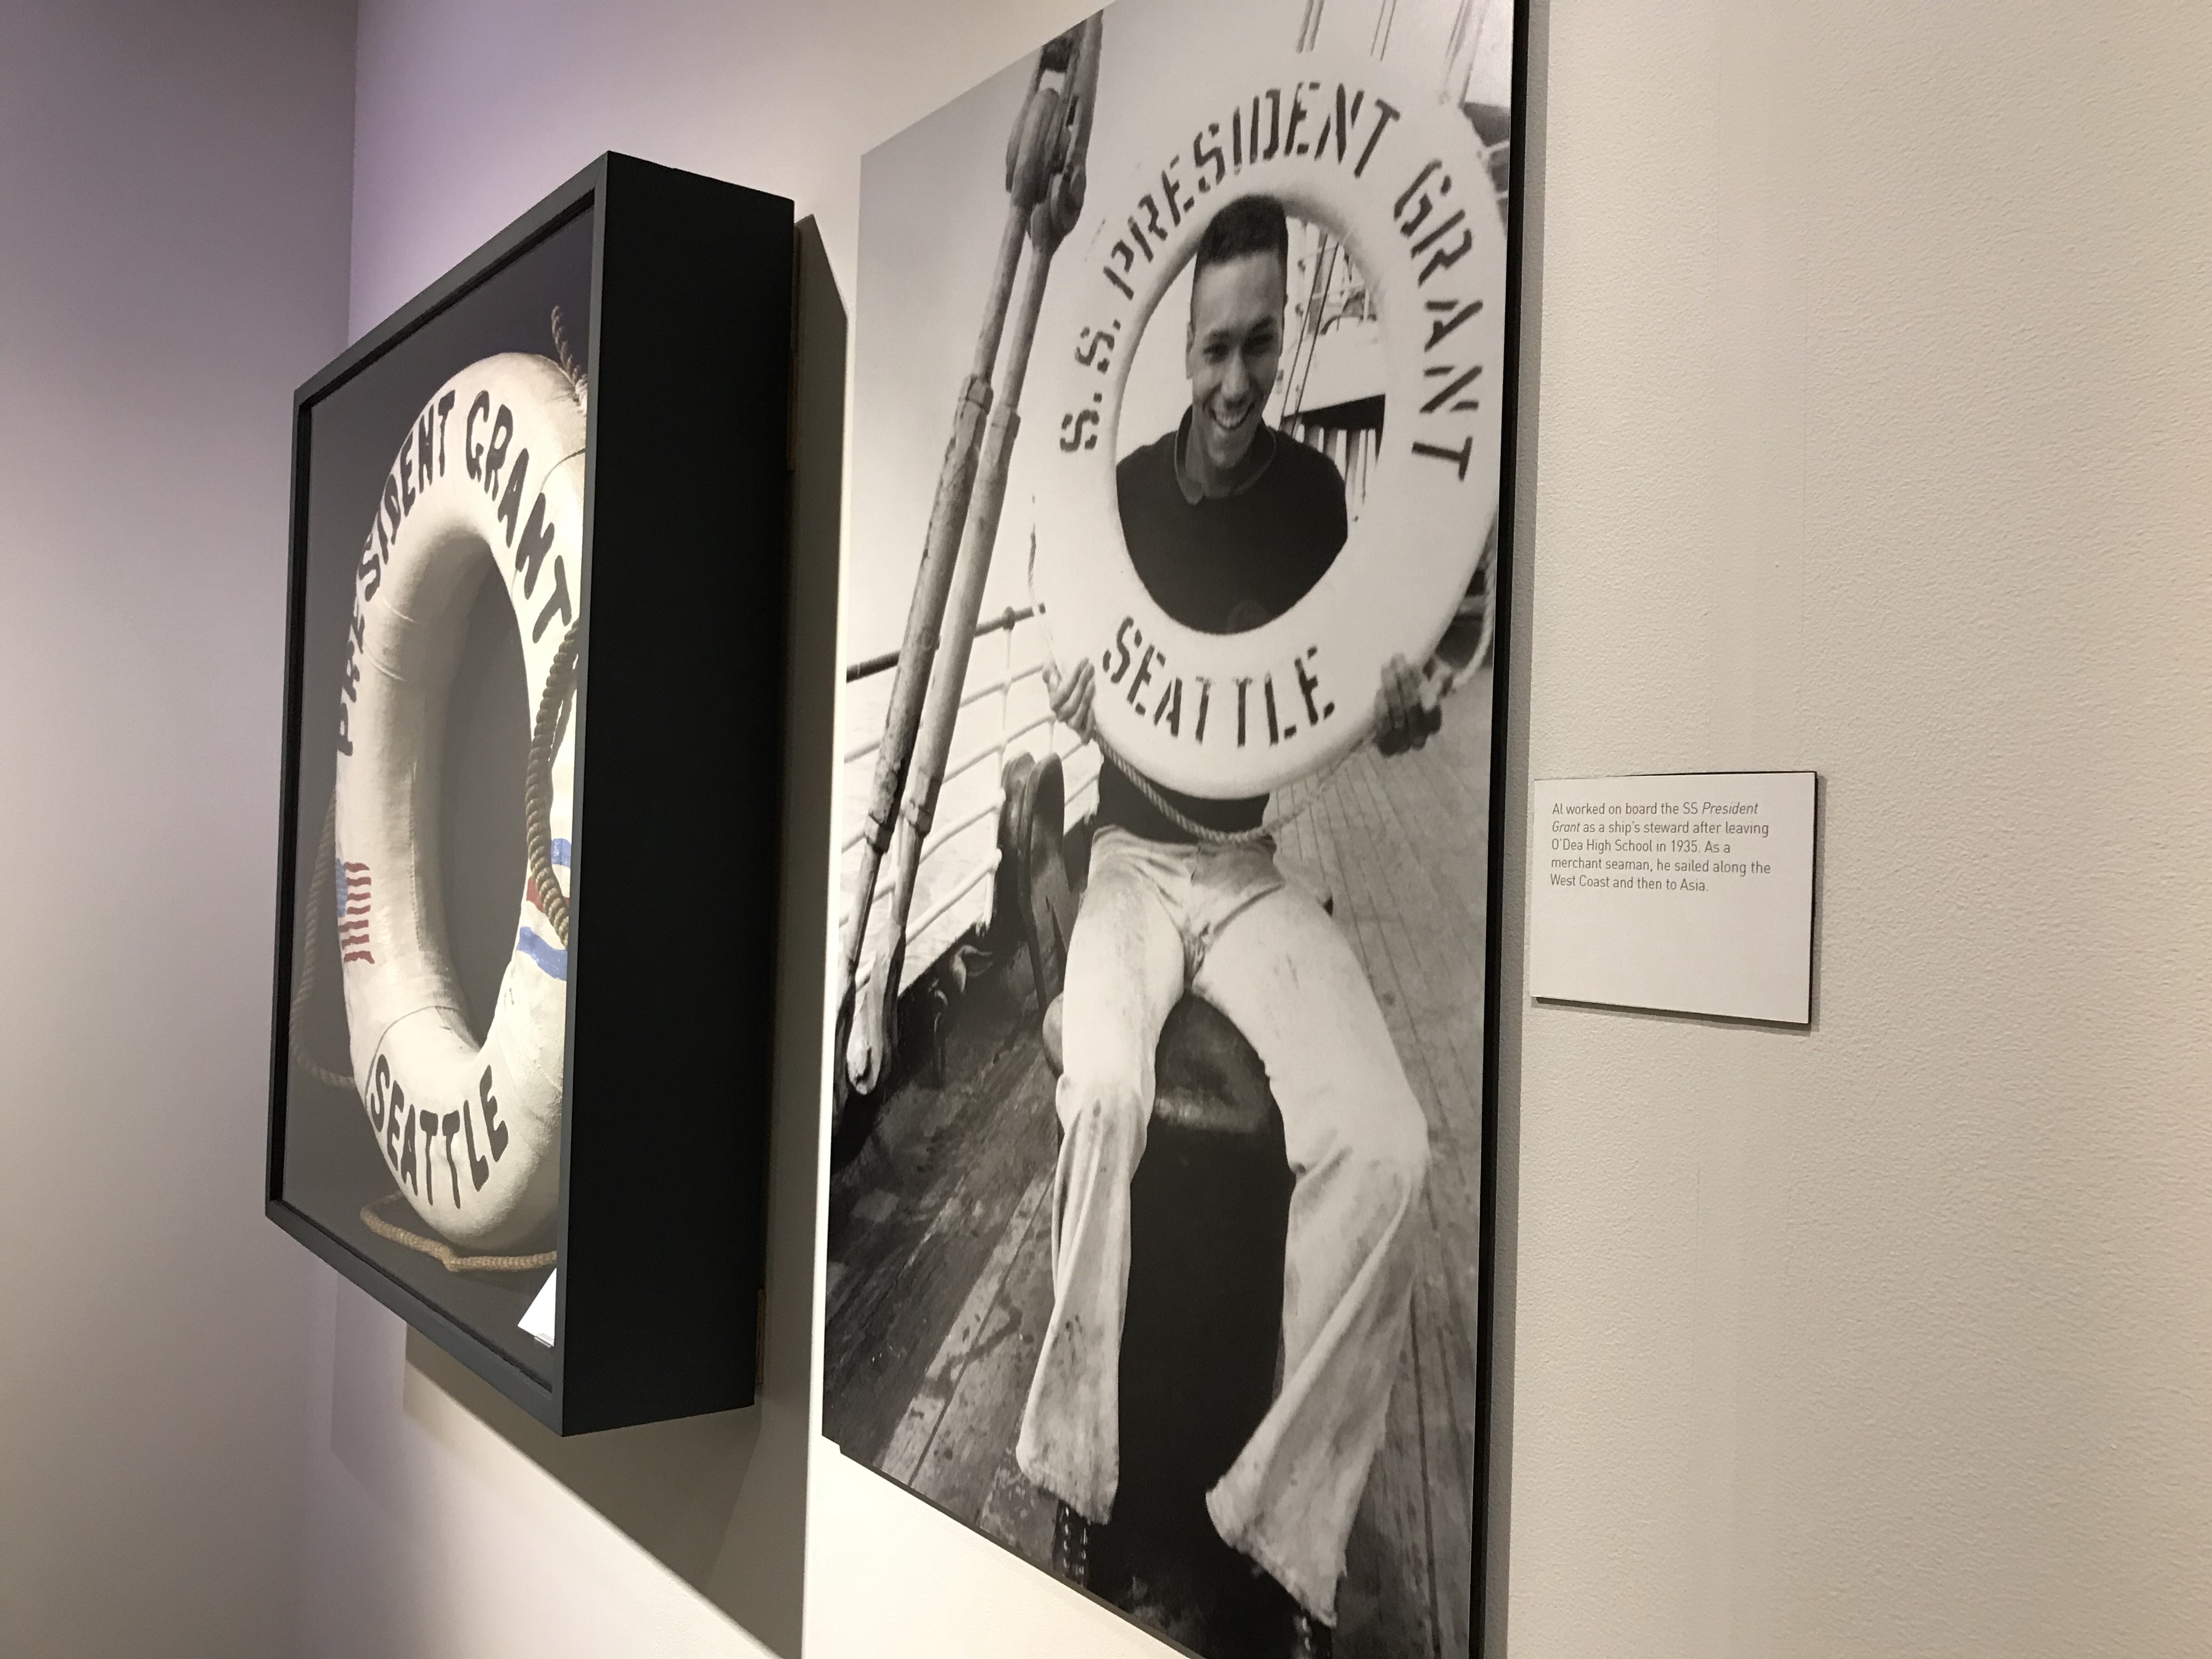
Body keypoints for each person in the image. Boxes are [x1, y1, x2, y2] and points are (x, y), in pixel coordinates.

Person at [1019, 194, 1442, 1659]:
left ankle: (1279, 1529)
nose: (1239, 380)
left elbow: (1350, 684)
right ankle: (1076, 1469)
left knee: (1385, 1147)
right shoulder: (1123, 501)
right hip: (1133, 859)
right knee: (1106, 1089)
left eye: (1263, 345)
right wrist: (1072, 694)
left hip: (1250, 868)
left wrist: (1399, 715)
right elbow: (1073, 631)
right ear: (1180, 342)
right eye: (1216, 347)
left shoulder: (1317, 505)